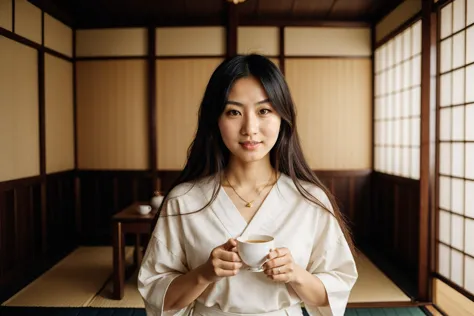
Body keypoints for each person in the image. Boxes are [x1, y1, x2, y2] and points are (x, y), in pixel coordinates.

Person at [138, 54, 358, 316]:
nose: (250, 128)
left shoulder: (310, 199)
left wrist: (295, 274)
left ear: (282, 117)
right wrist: (204, 274)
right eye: (234, 112)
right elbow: (158, 297)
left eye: (264, 111)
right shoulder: (184, 199)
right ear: (215, 120)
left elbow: (333, 294)